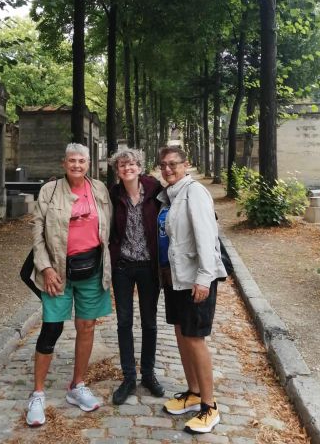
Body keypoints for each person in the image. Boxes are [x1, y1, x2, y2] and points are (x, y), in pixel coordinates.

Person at [26, 143, 112, 426]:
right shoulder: (49, 191)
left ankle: (77, 385)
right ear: (64, 163)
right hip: (58, 272)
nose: (77, 165)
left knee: (86, 326)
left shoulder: (99, 189)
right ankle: (38, 393)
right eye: (72, 161)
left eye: (82, 161)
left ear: (89, 164)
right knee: (51, 327)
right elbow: (37, 234)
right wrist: (46, 268)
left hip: (92, 269)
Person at [156, 146, 227, 435]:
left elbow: (207, 237)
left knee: (195, 338)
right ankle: (194, 391)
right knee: (181, 333)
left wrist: (204, 278)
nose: (168, 169)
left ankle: (210, 407)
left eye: (173, 164)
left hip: (195, 278)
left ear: (186, 165)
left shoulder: (194, 192)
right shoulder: (169, 196)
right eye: (163, 165)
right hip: (175, 278)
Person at [108, 149, 165, 405]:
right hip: (123, 266)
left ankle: (148, 374)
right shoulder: (113, 194)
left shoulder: (155, 191)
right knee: (124, 322)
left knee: (150, 322)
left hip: (148, 267)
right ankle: (129, 377)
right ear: (117, 169)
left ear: (139, 167)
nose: (127, 168)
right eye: (122, 165)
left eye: (131, 164)